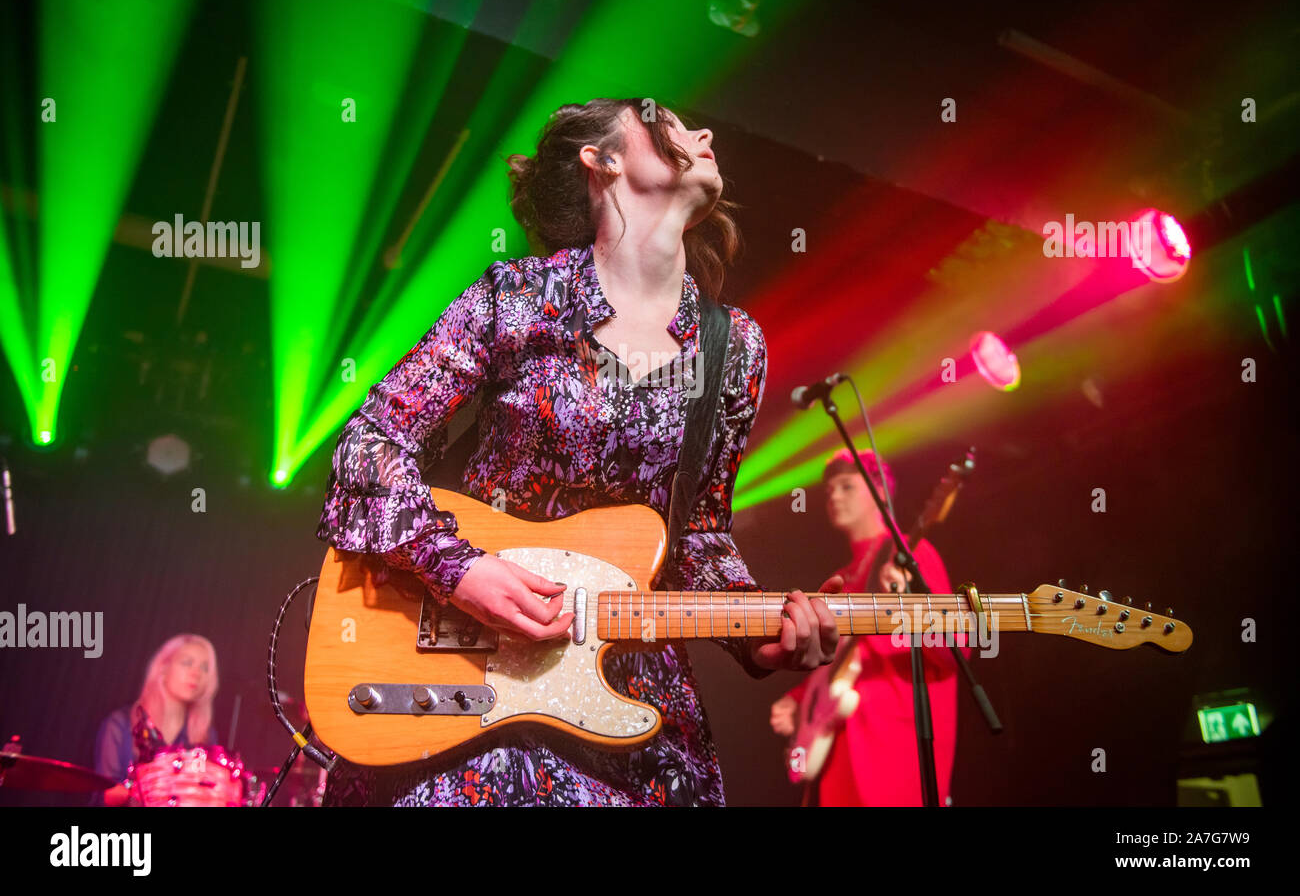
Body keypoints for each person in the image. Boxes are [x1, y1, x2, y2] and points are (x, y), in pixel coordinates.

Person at [316, 97, 841, 806]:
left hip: (633, 713)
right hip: (477, 700)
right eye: (666, 120)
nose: (705, 132)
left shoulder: (733, 345)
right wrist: (461, 570)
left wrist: (759, 634)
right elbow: (369, 444)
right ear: (602, 161)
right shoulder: (519, 300)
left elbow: (701, 534)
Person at [770, 450, 963, 806]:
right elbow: (836, 658)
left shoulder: (911, 554)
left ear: (880, 489)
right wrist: (798, 702)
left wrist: (912, 605)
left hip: (892, 752)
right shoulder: (842, 575)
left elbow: (956, 650)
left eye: (846, 486)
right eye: (828, 491)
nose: (834, 497)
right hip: (835, 751)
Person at [93, 633, 219, 806]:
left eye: (205, 667)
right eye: (187, 663)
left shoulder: (205, 737)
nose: (196, 673)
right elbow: (104, 795)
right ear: (163, 668)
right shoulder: (120, 724)